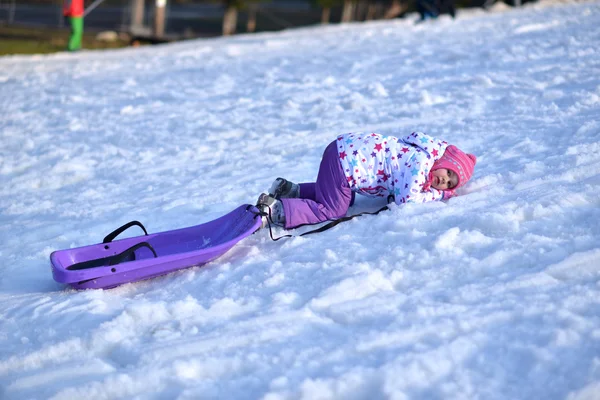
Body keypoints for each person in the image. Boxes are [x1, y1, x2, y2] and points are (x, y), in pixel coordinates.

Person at [257, 131, 476, 230]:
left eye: (449, 183)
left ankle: (289, 191)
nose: (443, 181)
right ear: (443, 162)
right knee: (333, 209)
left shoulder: (420, 152)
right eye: (448, 173)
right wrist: (441, 195)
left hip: (342, 150)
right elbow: (408, 202)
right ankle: (277, 210)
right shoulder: (420, 165)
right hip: (345, 163)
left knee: (344, 197)